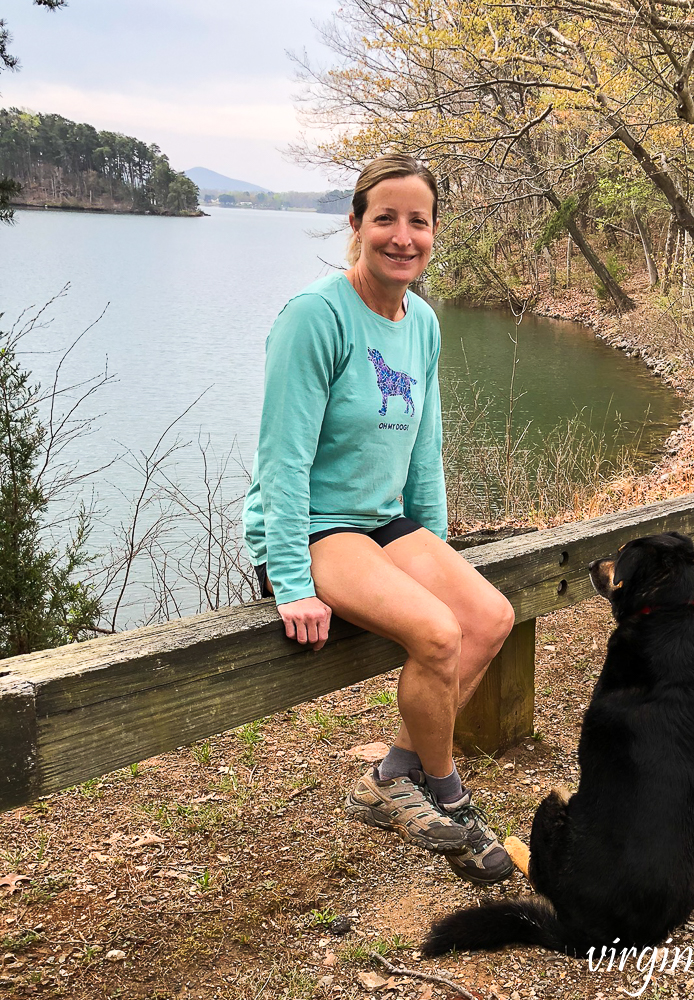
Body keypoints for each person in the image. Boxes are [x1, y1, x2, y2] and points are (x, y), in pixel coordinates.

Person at [242, 154, 516, 885]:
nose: (403, 236)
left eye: (418, 221)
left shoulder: (420, 320)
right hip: (312, 528)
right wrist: (291, 579)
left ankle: (390, 774)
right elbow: (283, 459)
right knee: (437, 634)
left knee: (487, 617)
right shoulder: (315, 317)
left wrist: (437, 544)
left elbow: (424, 445)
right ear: (356, 223)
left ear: (434, 232)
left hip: (382, 523)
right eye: (385, 218)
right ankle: (448, 793)